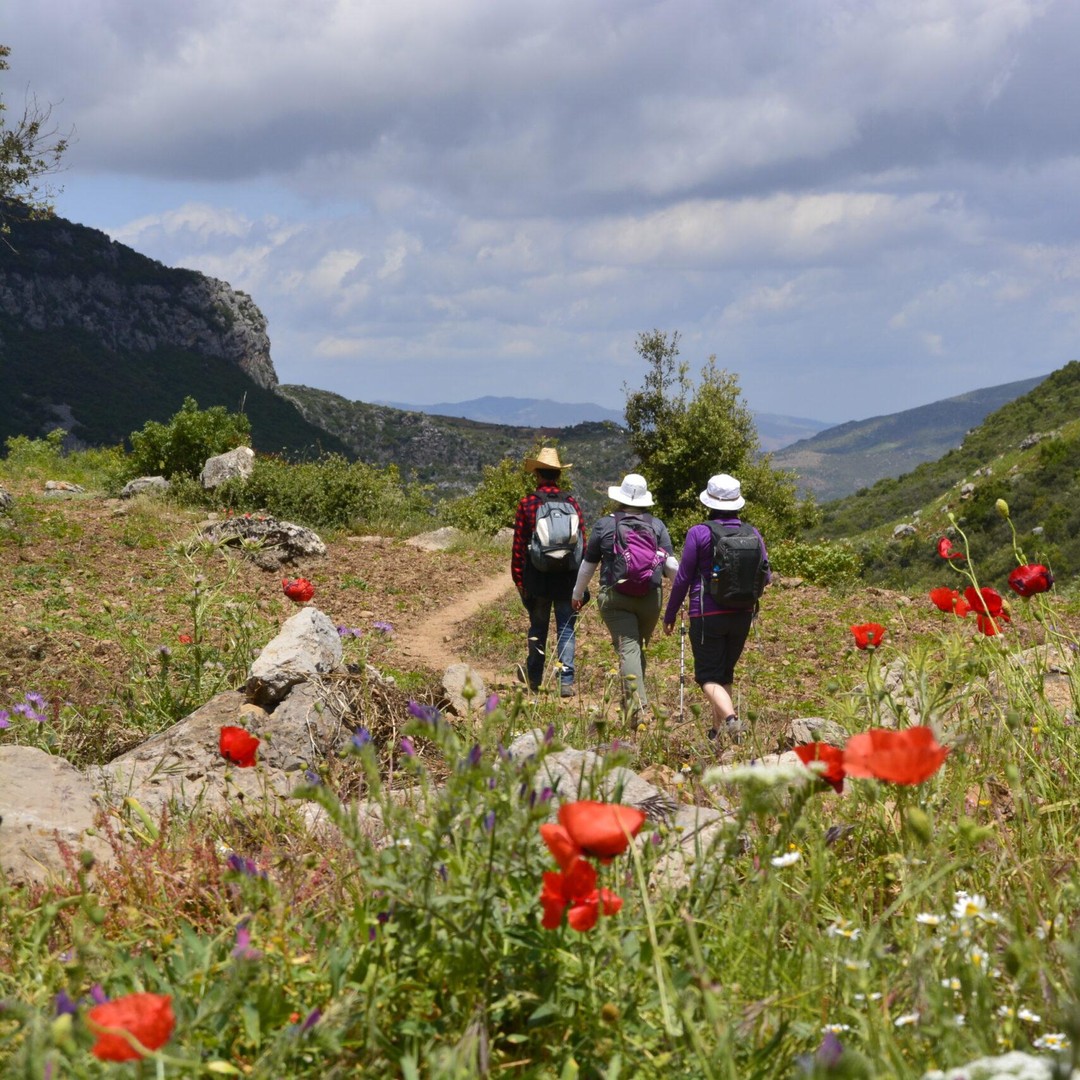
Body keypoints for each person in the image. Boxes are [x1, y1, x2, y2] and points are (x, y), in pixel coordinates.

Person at [663, 473, 770, 743]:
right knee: (724, 674)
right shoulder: (753, 532)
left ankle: (732, 721)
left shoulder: (699, 532)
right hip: (743, 613)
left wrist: (671, 612)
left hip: (706, 613)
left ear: (709, 502)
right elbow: (766, 575)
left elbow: (683, 577)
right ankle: (716, 732)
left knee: (708, 677)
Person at [571, 473, 677, 721]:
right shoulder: (657, 525)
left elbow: (588, 566)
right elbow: (671, 565)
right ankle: (635, 701)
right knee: (636, 648)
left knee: (629, 649)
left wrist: (577, 594)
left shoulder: (605, 525)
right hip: (650, 598)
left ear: (620, 498)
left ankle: (637, 709)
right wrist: (683, 591)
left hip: (614, 596)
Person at [511, 448, 587, 697]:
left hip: (538, 577)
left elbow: (519, 546)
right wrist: (580, 583)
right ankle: (566, 682)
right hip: (567, 578)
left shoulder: (528, 503)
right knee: (566, 628)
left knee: (538, 628)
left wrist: (519, 579)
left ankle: (534, 678)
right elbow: (582, 544)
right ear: (558, 475)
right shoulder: (571, 503)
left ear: (537, 474)